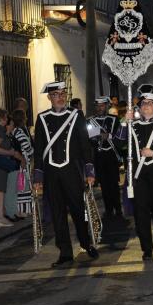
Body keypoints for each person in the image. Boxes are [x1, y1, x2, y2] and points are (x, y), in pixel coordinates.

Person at [33, 81, 99, 267]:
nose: (60, 98)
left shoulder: (76, 115)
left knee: (79, 211)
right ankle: (65, 252)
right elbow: (38, 149)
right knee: (57, 213)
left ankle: (86, 243)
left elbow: (85, 144)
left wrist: (89, 169)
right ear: (49, 98)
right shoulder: (42, 118)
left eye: (63, 94)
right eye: (56, 95)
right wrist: (38, 176)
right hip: (52, 174)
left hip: (72, 172)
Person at [117, 92, 153, 260]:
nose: (145, 106)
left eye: (149, 104)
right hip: (138, 177)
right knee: (140, 214)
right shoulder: (131, 126)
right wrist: (123, 121)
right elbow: (118, 142)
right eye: (143, 104)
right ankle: (146, 249)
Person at [87, 97, 122, 218]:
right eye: (97, 106)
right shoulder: (90, 121)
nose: (99, 108)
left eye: (102, 105)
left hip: (111, 155)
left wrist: (109, 135)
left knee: (114, 184)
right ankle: (108, 209)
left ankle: (118, 209)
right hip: (99, 156)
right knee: (104, 184)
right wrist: (94, 138)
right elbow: (89, 140)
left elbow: (121, 136)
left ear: (107, 106)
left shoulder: (114, 119)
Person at [11, 109, 34, 217]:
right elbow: (27, 146)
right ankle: (23, 211)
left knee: (23, 186)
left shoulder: (15, 131)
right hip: (23, 162)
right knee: (23, 186)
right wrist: (33, 151)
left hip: (22, 162)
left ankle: (24, 210)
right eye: (25, 116)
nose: (27, 118)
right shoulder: (18, 132)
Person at [4, 115, 25, 221]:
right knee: (10, 191)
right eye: (11, 124)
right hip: (11, 166)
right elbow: (13, 152)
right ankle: (9, 213)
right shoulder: (6, 138)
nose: (13, 126)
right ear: (6, 125)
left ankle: (14, 211)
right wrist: (22, 159)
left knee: (15, 190)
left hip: (15, 166)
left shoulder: (11, 137)